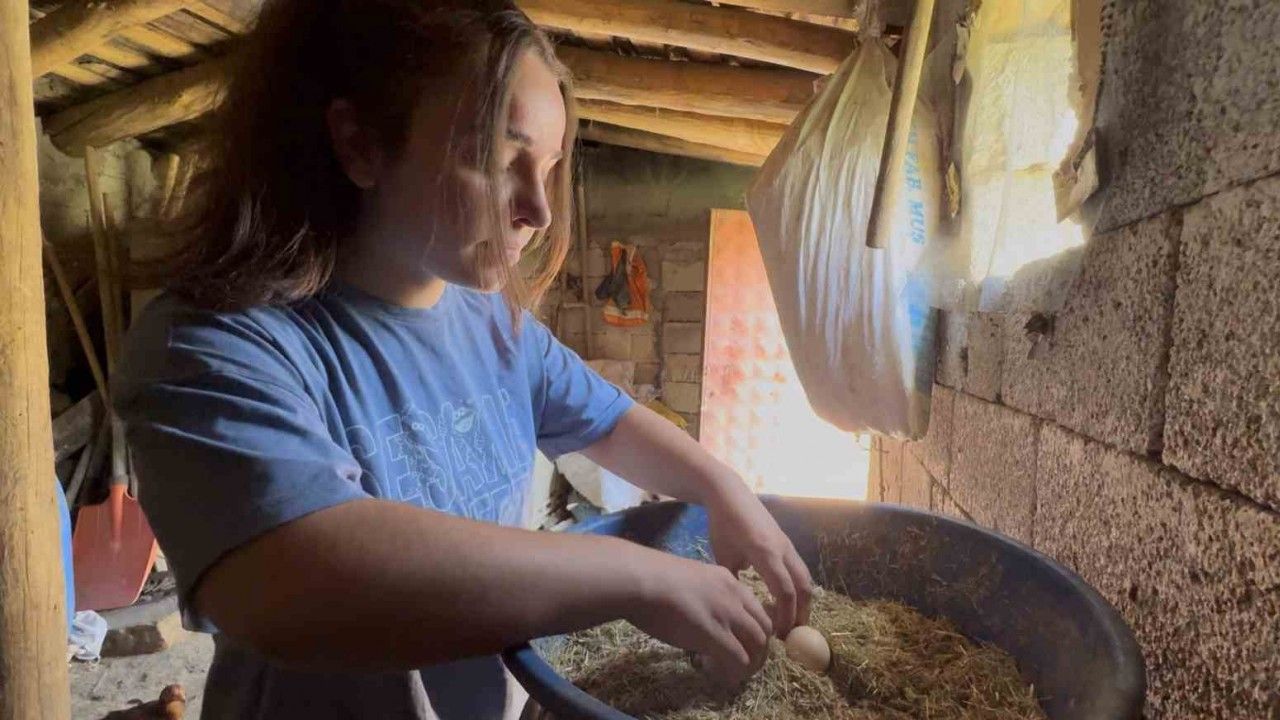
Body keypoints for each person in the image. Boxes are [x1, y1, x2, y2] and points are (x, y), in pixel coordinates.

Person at [114, 1, 812, 718]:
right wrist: (640, 577)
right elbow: (293, 575)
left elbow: (610, 421)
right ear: (360, 144)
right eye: (497, 159)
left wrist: (725, 489)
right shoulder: (212, 345)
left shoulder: (495, 326)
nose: (538, 210)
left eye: (549, 165)